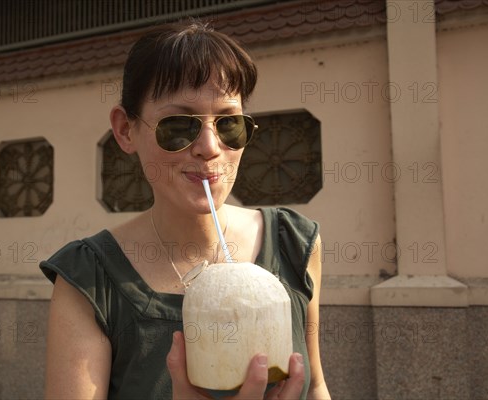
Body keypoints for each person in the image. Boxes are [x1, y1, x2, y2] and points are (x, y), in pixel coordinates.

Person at [40, 20, 331, 399]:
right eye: (178, 125)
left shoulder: (294, 243)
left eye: (229, 123)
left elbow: (316, 386)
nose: (209, 146)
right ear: (126, 131)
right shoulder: (90, 279)